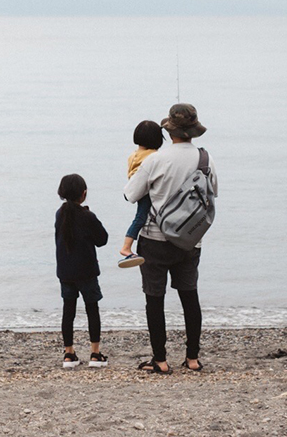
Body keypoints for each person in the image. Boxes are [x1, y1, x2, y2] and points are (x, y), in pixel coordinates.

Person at [123, 103, 218, 374]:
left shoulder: (156, 160)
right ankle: (192, 358)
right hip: (190, 241)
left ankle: (161, 361)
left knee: (155, 299)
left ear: (171, 131)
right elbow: (213, 194)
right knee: (190, 298)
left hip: (154, 239)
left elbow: (130, 194)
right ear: (193, 131)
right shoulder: (205, 159)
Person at [54, 173, 110, 368]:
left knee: (68, 311)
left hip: (66, 272)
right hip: (86, 271)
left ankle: (69, 354)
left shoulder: (60, 214)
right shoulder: (87, 216)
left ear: (61, 193)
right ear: (83, 194)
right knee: (92, 309)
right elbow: (102, 239)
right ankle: (95, 353)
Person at [118, 120, 165, 268]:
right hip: (146, 190)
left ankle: (127, 247)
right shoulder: (153, 156)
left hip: (136, 186)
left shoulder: (134, 155)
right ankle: (126, 248)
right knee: (141, 217)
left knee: (140, 216)